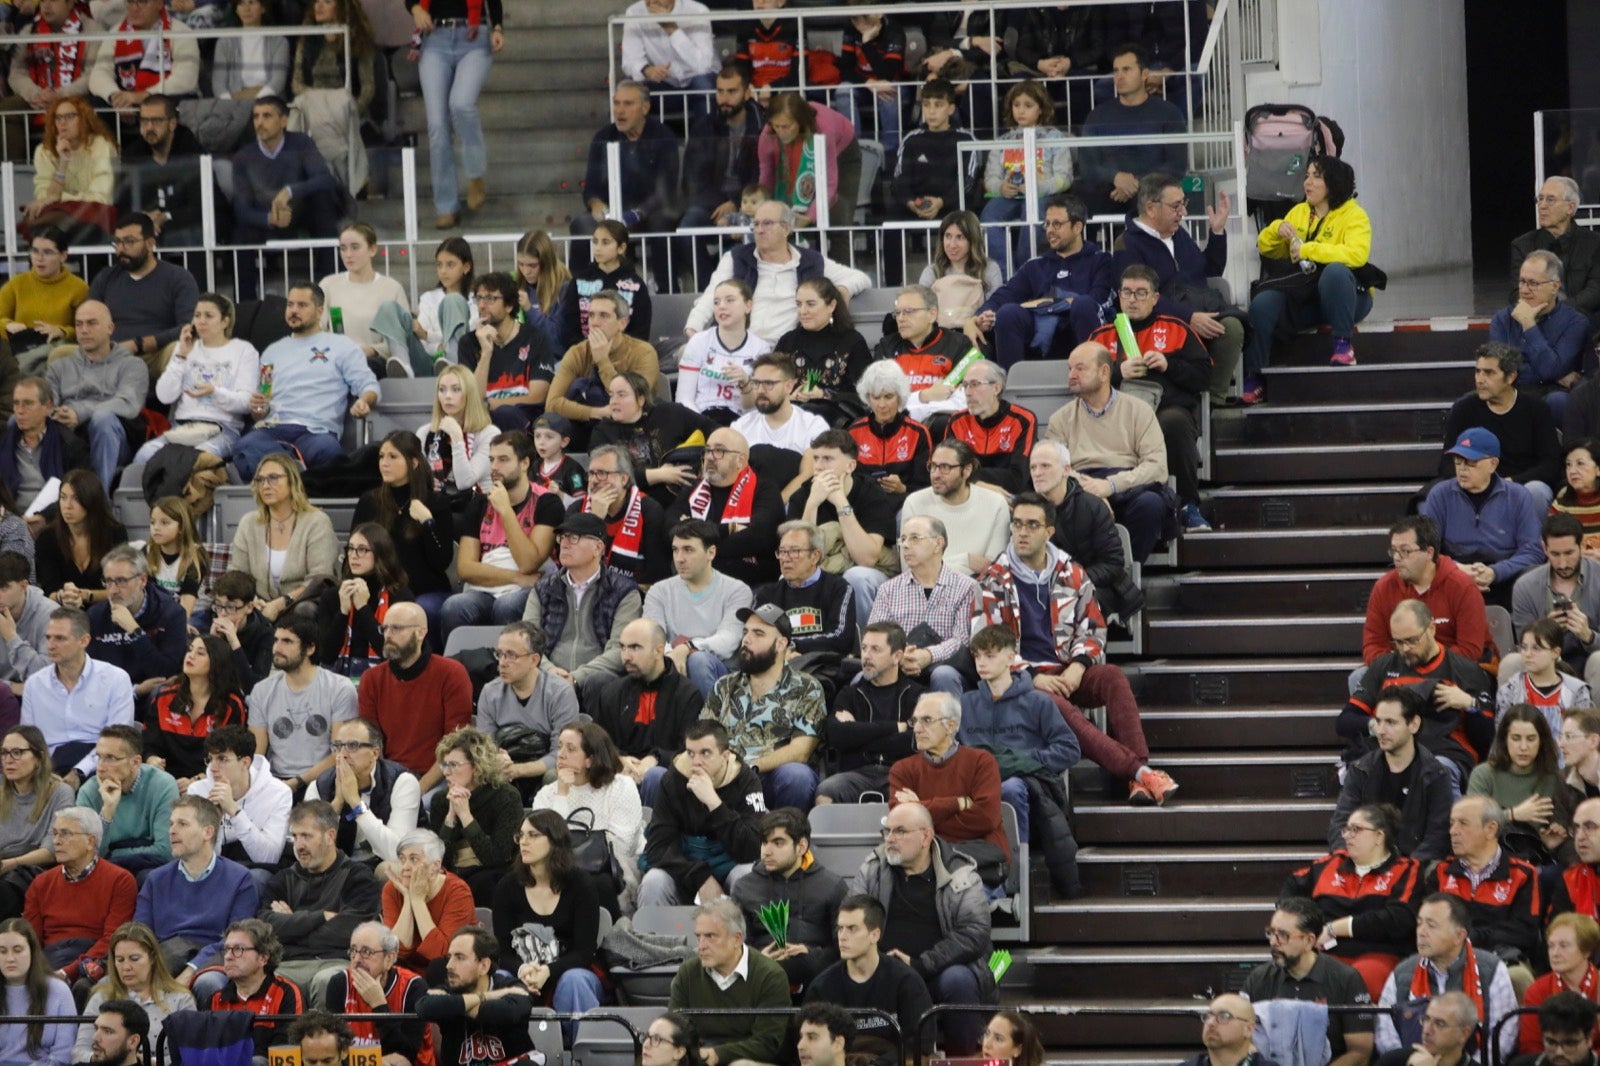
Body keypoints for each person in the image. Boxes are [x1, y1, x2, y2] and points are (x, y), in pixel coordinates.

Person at [847, 801, 995, 1053]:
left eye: (900, 832)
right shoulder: (873, 868)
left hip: (937, 971)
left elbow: (974, 933)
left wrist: (920, 964)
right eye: (887, 831)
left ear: (926, 836)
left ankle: (963, 1058)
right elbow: (849, 918)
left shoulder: (960, 873)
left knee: (958, 981)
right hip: (881, 967)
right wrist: (877, 960)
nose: (890, 839)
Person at [1089, 264, 1213, 529]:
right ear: (1119, 296)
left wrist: (1169, 364)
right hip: (1112, 417)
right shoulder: (1101, 336)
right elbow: (1079, 381)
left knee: (1175, 424)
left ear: (1155, 298)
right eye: (1127, 292)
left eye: (1141, 293)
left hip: (1166, 411)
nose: (1132, 299)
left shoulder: (1176, 328)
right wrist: (1115, 373)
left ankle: (1188, 505)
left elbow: (1205, 376)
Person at [961, 623, 1082, 892]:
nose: (981, 662)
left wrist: (1020, 760)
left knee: (1010, 787)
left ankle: (1012, 879)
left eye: (990, 655)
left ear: (1010, 656)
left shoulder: (1038, 702)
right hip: (974, 789)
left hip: (1027, 789)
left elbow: (1069, 749)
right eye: (977, 656)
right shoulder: (965, 703)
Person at [1243, 156, 1376, 400]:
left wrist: (1309, 249)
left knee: (1334, 272)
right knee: (1263, 303)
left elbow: (1356, 255)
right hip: (1307, 297)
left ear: (1333, 183)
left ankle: (1343, 346)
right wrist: (1277, 229)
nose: (1308, 183)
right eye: (1306, 176)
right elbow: (1266, 248)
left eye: (1316, 176)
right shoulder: (1300, 212)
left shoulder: (1355, 215)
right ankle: (1255, 375)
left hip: (1348, 297)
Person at [1113, 174, 1242, 406]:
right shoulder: (1127, 244)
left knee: (1233, 326)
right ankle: (1203, 405)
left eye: (1184, 204)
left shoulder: (1179, 234)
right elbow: (1141, 296)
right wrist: (1189, 318)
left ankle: (1213, 401)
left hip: (1200, 309)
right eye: (1176, 206)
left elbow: (1209, 270)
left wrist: (1218, 232)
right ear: (1151, 208)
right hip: (1162, 323)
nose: (1183, 212)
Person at [232, 283, 379, 480]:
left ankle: (282, 470)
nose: (294, 310)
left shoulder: (342, 346)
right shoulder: (271, 351)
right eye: (290, 305)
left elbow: (368, 384)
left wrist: (365, 400)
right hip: (273, 430)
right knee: (243, 447)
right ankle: (293, 470)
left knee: (330, 454)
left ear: (319, 311)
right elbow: (262, 407)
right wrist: (258, 409)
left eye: (302, 305)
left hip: (316, 432)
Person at [1282, 803, 1424, 1001]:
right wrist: (1310, 928)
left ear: (1378, 836)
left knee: (1358, 980)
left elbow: (1398, 919)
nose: (1347, 836)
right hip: (1326, 954)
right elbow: (1289, 894)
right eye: (1346, 829)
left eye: (1355, 830)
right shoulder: (1329, 865)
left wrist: (1334, 928)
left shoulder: (1406, 869)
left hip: (1379, 954)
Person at [1045, 342, 1172, 562]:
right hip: (1080, 488)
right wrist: (1088, 491)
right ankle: (1086, 572)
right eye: (1070, 369)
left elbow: (1157, 467)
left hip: (1128, 486)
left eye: (1080, 368)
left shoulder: (1138, 410)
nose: (1071, 375)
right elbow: (1052, 467)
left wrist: (1109, 486)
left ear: (1104, 372)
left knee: (1151, 505)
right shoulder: (1060, 419)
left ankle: (1123, 569)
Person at [683, 200, 871, 341]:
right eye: (756, 224)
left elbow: (861, 277)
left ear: (786, 228)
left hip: (790, 352)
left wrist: (844, 289)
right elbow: (711, 296)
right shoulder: (736, 258)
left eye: (767, 224)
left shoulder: (810, 261)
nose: (759, 230)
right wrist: (693, 329)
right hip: (739, 347)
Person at [440, 430, 566, 631]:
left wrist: (506, 511)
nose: (494, 467)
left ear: (524, 463)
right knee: (453, 607)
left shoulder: (547, 503)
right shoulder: (479, 504)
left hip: (531, 589)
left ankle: (507, 661)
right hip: (490, 587)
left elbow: (528, 563)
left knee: (506, 606)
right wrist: (515, 577)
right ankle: (461, 663)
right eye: (492, 460)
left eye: (503, 460)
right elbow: (465, 568)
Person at [704, 603, 825, 809]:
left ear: (780, 644)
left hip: (769, 777)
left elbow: (800, 751)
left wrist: (751, 766)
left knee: (797, 775)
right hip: (723, 777)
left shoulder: (806, 687)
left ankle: (786, 837)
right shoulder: (724, 686)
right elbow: (703, 738)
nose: (746, 640)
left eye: (758, 633)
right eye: (745, 632)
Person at [969, 195, 1113, 368]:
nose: (1049, 230)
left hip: (1078, 326)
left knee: (1083, 305)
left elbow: (1100, 300)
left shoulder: (1101, 260)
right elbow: (1005, 295)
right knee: (1008, 312)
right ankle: (1011, 389)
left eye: (1057, 224)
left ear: (1077, 227)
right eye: (1047, 223)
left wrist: (1043, 304)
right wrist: (978, 317)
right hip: (1039, 330)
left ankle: (1093, 381)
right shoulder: (1036, 265)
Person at [489, 808, 608, 1014]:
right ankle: (511, 1046)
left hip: (572, 972)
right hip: (522, 972)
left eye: (533, 835)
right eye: (521, 835)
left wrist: (547, 971)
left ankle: (577, 1044)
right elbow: (503, 952)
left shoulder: (581, 884)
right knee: (504, 982)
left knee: (574, 981)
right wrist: (523, 969)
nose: (524, 842)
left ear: (555, 840)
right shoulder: (507, 886)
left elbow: (584, 952)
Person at [259, 799, 382, 995]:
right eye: (295, 836)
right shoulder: (282, 879)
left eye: (306, 836)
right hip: (289, 963)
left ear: (330, 836)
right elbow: (266, 930)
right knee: (266, 983)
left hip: (337, 961)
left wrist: (292, 922)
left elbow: (349, 933)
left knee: (326, 982)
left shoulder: (358, 877)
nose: (299, 845)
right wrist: (321, 917)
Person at [1376, 894, 1518, 1063]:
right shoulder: (1402, 972)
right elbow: (1385, 1032)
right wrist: (1411, 1061)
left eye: (1431, 925)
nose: (1421, 932)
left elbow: (1503, 1035)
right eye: (1419, 923)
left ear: (1459, 935)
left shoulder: (1492, 969)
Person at [639, 720, 766, 908]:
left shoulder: (746, 781)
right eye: (690, 753)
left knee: (748, 877)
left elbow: (753, 847)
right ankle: (651, 938)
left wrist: (714, 803)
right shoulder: (673, 780)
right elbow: (658, 848)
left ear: (725, 755)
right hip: (685, 865)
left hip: (732, 862)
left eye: (705, 753)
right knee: (653, 882)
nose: (696, 761)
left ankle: (747, 937)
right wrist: (701, 877)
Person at [522, 511, 643, 708]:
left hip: (595, 683)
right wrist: (550, 672)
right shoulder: (544, 589)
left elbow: (620, 650)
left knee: (600, 682)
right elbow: (526, 641)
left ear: (598, 548)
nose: (565, 543)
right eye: (562, 537)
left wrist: (576, 678)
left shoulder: (623, 592)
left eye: (574, 537)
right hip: (547, 677)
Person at [1423, 796, 1542, 995]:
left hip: (1503, 957)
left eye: (1463, 823)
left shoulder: (1523, 874)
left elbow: (1524, 932)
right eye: (1452, 823)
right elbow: (1428, 925)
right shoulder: (1440, 873)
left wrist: (1470, 937)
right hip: (1445, 956)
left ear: (1490, 829)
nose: (1453, 831)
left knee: (1518, 978)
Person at [134, 795, 258, 984]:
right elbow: (140, 934)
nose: (172, 831)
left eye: (182, 824)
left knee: (208, 982)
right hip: (164, 957)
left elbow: (237, 939)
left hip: (215, 958)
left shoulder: (240, 879)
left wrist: (193, 969)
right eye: (171, 824)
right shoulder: (156, 879)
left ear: (208, 832)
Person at [570, 84, 680, 292]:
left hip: (652, 211)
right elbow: (591, 188)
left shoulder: (663, 136)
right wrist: (597, 206)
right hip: (612, 212)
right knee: (581, 224)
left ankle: (667, 290)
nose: (619, 110)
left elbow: (665, 189)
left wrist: (636, 214)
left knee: (662, 224)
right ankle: (581, 291)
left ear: (645, 108)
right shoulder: (603, 137)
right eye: (617, 103)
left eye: (628, 104)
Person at [1240, 898, 1376, 1066]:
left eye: (1283, 935)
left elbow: (1360, 1052)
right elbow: (1240, 1039)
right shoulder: (1258, 979)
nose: (1273, 942)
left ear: (1309, 941)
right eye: (1271, 932)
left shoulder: (1346, 978)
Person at [1420, 427, 1544, 609]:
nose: (1462, 468)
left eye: (1470, 462)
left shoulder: (1518, 496)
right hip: (1454, 574)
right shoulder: (1440, 495)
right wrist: (1457, 569)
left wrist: (1495, 572)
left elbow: (1533, 551)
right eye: (1458, 460)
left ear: (1493, 464)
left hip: (1505, 575)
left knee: (1535, 575)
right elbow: (1426, 549)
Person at [357, 601, 472, 794]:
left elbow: (455, 745)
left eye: (396, 628)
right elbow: (371, 744)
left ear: (421, 632)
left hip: (440, 777)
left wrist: (416, 791)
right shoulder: (371, 679)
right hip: (388, 777)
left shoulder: (451, 673)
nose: (388, 635)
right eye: (384, 628)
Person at [804, 894, 932, 1066]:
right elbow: (809, 1044)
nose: (842, 936)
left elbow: (920, 1044)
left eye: (852, 929)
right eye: (840, 928)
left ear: (875, 935)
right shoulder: (822, 986)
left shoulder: (907, 981)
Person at [1329, 687, 1454, 863]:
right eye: (1378, 721)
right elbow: (1341, 823)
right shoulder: (1361, 770)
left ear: (1414, 724)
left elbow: (1438, 836)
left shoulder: (1436, 774)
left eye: (1391, 722)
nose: (1381, 730)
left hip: (1415, 870)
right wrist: (1347, 858)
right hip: (1365, 867)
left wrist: (1406, 870)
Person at [134, 293, 258, 466]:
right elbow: (164, 396)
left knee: (193, 461)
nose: (201, 321)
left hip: (222, 429)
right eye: (197, 315)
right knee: (144, 455)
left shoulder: (243, 350)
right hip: (183, 427)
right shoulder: (184, 348)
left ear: (225, 321)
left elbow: (246, 403)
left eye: (209, 316)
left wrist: (215, 392)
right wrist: (180, 356)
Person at [411, 0, 503, 228]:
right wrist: (415, 9)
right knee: (437, 125)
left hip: (474, 36)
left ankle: (475, 175)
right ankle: (446, 206)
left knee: (461, 104)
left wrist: (498, 27)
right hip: (435, 38)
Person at [731, 807, 847, 986]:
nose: (766, 852)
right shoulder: (744, 887)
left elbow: (843, 947)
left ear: (801, 846)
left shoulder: (833, 886)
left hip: (818, 982)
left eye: (778, 843)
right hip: (759, 982)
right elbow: (735, 945)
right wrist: (757, 960)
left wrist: (811, 955)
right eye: (764, 842)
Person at [595, 618, 704, 807]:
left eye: (635, 648)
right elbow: (598, 742)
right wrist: (617, 759)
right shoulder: (612, 692)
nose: (625, 656)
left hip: (665, 778)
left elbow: (690, 751)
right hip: (620, 772)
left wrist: (655, 759)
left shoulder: (687, 694)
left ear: (659, 650)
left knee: (655, 776)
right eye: (623, 647)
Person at [667, 899, 791, 1065]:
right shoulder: (688, 973)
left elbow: (767, 1043)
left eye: (710, 936)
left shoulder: (770, 976)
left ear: (737, 939)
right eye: (699, 937)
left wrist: (716, 1054)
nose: (701, 946)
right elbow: (675, 1031)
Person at [1441, 343, 1563, 513]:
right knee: (1434, 495)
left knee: (1537, 491)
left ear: (1511, 377)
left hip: (1521, 484)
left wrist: (1510, 481)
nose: (1480, 380)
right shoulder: (1464, 409)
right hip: (1475, 484)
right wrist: (1478, 481)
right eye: (1478, 371)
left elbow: (1550, 463)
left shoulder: (1536, 408)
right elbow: (1447, 462)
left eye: (1489, 373)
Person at [247, 612, 359, 795]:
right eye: (276, 640)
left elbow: (340, 754)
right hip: (274, 780)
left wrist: (297, 782)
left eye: (287, 641)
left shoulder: (339, 688)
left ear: (310, 649)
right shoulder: (262, 690)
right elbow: (257, 754)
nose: (277, 647)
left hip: (324, 781)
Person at [1361, 515, 1488, 677]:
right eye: (1394, 551)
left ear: (1429, 552)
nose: (1397, 558)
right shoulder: (1383, 587)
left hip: (1452, 673)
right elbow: (1373, 645)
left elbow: (1470, 650)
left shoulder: (1462, 587)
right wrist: (1403, 666)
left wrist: (1426, 665)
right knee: (1359, 677)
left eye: (1405, 551)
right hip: (1401, 669)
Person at [867, 515, 980, 697]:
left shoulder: (966, 587)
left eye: (914, 538)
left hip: (945, 665)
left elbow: (962, 640)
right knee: (863, 677)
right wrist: (900, 656)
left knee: (943, 675)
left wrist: (928, 655)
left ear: (938, 544)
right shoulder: (888, 589)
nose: (905, 545)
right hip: (898, 663)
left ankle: (949, 724)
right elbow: (874, 637)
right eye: (902, 539)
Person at [348, 440, 449, 639]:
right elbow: (352, 549)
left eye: (393, 457)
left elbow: (442, 560)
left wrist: (428, 522)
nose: (384, 463)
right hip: (378, 588)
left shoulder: (436, 502)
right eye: (381, 456)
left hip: (424, 590)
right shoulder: (370, 501)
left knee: (417, 611)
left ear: (414, 463)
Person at [21, 805, 134, 981]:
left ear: (90, 841)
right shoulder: (41, 883)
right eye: (55, 834)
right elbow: (30, 940)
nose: (56, 841)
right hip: (49, 958)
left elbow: (113, 939)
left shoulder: (120, 880)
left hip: (92, 961)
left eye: (65, 834)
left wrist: (68, 972)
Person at [642, 519, 752, 699]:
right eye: (675, 550)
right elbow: (653, 636)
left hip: (721, 671)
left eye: (688, 549)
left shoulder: (737, 590)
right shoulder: (659, 591)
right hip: (671, 663)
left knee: (698, 661)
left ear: (711, 552)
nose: (679, 558)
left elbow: (728, 641)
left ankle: (712, 724)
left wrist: (687, 648)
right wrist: (672, 655)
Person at [665, 426, 786, 588]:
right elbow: (670, 526)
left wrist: (697, 541)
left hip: (750, 581)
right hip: (695, 579)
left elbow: (758, 537)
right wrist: (728, 529)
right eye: (707, 451)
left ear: (740, 461)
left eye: (719, 451)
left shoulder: (765, 490)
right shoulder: (693, 489)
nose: (710, 457)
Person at [45, 298, 147, 490]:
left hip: (113, 439)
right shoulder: (59, 366)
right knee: (22, 420)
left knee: (103, 419)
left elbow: (128, 403)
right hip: (68, 436)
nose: (84, 330)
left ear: (110, 328)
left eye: (92, 323)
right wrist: (59, 414)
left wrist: (80, 413)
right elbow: (47, 403)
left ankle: (99, 501)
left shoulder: (132, 365)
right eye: (79, 324)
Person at [21, 608, 134, 780]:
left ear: (84, 640)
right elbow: (29, 741)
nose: (50, 645)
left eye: (60, 638)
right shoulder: (34, 684)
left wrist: (79, 771)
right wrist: (47, 775)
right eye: (48, 637)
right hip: (48, 770)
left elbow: (118, 740)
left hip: (101, 767)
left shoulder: (116, 679)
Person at [82, 213, 197, 382]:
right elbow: (89, 319)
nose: (121, 249)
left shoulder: (178, 278)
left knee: (178, 351)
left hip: (155, 355)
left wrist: (139, 344)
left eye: (129, 242)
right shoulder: (106, 278)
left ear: (150, 244)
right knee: (60, 354)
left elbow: (188, 328)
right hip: (110, 354)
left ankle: (181, 408)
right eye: (118, 242)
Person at [1074, 43, 1186, 213]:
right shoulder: (1097, 116)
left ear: (1145, 74)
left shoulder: (1169, 113)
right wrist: (1116, 177)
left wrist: (1136, 182)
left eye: (1126, 70)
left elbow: (1176, 165)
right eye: (1116, 70)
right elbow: (1087, 165)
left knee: (1151, 199)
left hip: (1150, 191)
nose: (1119, 76)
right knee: (1080, 198)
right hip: (1108, 191)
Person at [473, 620, 579, 797]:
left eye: (511, 655)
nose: (503, 663)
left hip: (543, 771)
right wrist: (496, 760)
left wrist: (517, 770)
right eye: (499, 654)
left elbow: (561, 755)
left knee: (555, 776)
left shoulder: (560, 693)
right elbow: (485, 747)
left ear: (534, 660)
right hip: (504, 770)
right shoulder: (490, 692)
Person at [977, 81, 1072, 274]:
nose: (1021, 110)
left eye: (1028, 106)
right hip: (1008, 194)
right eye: (1016, 105)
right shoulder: (1002, 141)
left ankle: (1026, 270)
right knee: (989, 216)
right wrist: (1001, 187)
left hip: (1041, 195)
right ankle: (1004, 273)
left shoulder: (1055, 138)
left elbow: (1064, 177)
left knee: (1033, 214)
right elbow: (990, 178)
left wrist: (1037, 187)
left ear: (1041, 109)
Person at [226, 453, 339, 614]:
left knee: (304, 610)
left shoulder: (316, 522)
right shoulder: (248, 523)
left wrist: (281, 603)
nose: (265, 485)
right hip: (258, 607)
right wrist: (252, 601)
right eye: (260, 480)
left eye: (273, 478)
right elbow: (237, 574)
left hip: (301, 604)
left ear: (292, 481)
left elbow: (320, 580)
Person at [532, 722, 644, 883]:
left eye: (570, 749)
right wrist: (562, 795)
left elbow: (624, 847)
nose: (561, 755)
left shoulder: (621, 786)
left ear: (590, 759)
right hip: (561, 875)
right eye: (560, 746)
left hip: (614, 873)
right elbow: (545, 848)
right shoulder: (547, 794)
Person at [1492, 249, 1593, 425]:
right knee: (1465, 404)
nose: (1524, 290)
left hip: (1551, 394)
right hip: (1511, 391)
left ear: (1555, 286)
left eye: (1532, 283)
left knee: (1558, 402)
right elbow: (1500, 370)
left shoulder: (1576, 322)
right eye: (1522, 282)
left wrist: (1529, 325)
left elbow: (1550, 369)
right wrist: (1553, 374)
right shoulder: (1502, 319)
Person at [306, 717, 422, 867]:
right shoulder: (320, 786)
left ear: (374, 753)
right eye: (338, 746)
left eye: (352, 746)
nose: (343, 754)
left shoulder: (402, 782)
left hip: (382, 866)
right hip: (338, 869)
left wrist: (356, 803)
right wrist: (336, 805)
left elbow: (398, 853)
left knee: (391, 868)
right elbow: (309, 850)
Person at [229, 96, 342, 250]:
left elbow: (325, 179)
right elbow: (242, 210)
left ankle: (329, 272)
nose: (260, 122)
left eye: (267, 116)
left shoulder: (301, 143)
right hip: (266, 215)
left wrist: (289, 191)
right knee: (240, 232)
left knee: (322, 199)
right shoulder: (243, 156)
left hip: (300, 211)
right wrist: (270, 218)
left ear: (283, 121)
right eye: (256, 116)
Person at [72, 925, 194, 1064]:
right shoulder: (101, 997)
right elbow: (78, 1054)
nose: (126, 967)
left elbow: (190, 1056)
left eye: (134, 958)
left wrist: (147, 1062)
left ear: (153, 957)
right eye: (120, 960)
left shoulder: (181, 999)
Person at [414, 928, 536, 1066]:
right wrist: (485, 997)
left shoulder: (511, 986)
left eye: (459, 958)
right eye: (449, 958)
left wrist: (454, 1006)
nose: (449, 966)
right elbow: (423, 1007)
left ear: (483, 966)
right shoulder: (450, 988)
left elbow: (510, 1012)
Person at [428, 726, 523, 904]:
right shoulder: (440, 801)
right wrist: (450, 817)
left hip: (492, 876)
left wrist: (465, 816)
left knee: (483, 883)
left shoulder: (506, 796)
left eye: (454, 765)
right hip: (452, 874)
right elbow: (439, 861)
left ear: (477, 766)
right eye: (444, 765)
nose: (446, 772)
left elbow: (496, 857)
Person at [460, 272, 560, 434]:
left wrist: (492, 404)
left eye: (491, 299)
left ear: (509, 305)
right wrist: (486, 353)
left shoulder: (535, 338)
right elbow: (474, 401)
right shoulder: (468, 343)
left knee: (505, 413)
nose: (482, 305)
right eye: (479, 298)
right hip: (484, 421)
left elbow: (538, 395)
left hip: (524, 419)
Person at [1510, 515, 1600, 695]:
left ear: (1582, 546)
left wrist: (1588, 636)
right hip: (1545, 659)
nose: (1562, 563)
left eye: (1569, 553)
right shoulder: (1525, 586)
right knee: (1511, 662)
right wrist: (1544, 633)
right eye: (1555, 554)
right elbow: (1523, 646)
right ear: (1544, 548)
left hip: (1591, 657)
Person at [546, 290, 661, 429]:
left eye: (604, 316)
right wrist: (596, 412)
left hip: (631, 426)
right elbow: (551, 404)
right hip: (587, 424)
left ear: (622, 323)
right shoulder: (578, 352)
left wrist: (602, 361)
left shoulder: (644, 353)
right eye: (591, 315)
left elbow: (635, 402)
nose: (594, 323)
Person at [320, 923, 433, 1065]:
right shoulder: (340, 984)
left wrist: (379, 1005)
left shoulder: (414, 987)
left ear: (389, 959)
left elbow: (405, 1055)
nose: (356, 960)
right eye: (353, 951)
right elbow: (335, 1048)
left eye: (366, 952)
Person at [1471, 702, 1570, 862]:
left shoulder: (1553, 779)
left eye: (1531, 739)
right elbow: (1471, 823)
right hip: (1488, 858)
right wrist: (1513, 814)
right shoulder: (1484, 774)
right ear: (1505, 740)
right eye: (1516, 738)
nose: (1523, 747)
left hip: (1534, 860)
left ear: (1541, 741)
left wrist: (1550, 841)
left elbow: (1556, 831)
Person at [186, 725, 291, 875]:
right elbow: (196, 857)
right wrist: (214, 820)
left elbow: (269, 858)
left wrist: (234, 812)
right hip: (212, 868)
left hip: (253, 869)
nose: (213, 767)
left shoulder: (278, 793)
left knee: (257, 877)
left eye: (222, 759)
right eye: (211, 759)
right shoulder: (198, 791)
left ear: (245, 762)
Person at [87, 543, 186, 700]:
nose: (112, 590)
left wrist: (134, 631)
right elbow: (92, 674)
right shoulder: (96, 616)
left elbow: (166, 673)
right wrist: (135, 690)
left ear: (143, 580)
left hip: (153, 701)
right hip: (110, 698)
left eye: (121, 581)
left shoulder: (171, 614)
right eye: (108, 581)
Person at [899, 440, 1011, 577]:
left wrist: (936, 566)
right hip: (925, 593)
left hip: (978, 592)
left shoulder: (996, 504)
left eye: (945, 467)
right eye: (933, 466)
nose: (935, 474)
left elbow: (994, 571)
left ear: (967, 470)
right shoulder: (914, 503)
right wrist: (966, 560)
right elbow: (911, 571)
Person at [770, 280, 872, 425]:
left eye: (810, 304)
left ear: (831, 305)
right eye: (798, 304)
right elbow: (770, 385)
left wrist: (824, 394)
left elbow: (867, 394)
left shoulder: (851, 341)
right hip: (791, 417)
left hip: (836, 420)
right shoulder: (788, 341)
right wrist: (787, 397)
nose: (802, 311)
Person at [319, 223, 413, 378]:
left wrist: (371, 350)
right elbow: (317, 329)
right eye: (343, 248)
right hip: (335, 360)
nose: (348, 254)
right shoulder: (328, 284)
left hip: (374, 362)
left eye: (355, 247)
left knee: (364, 368)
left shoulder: (392, 288)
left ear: (372, 249)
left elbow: (400, 340)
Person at [757, 92, 858, 234]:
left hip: (843, 151)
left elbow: (829, 183)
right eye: (777, 126)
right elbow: (766, 175)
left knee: (838, 220)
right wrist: (763, 207)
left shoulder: (824, 130)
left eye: (786, 126)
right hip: (801, 147)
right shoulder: (768, 133)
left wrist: (810, 217)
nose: (781, 132)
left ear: (800, 121)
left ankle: (837, 256)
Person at [206, 918, 307, 1058]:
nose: (228, 957)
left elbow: (286, 1049)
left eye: (238, 949)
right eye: (227, 949)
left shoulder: (286, 993)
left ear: (263, 958)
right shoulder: (216, 999)